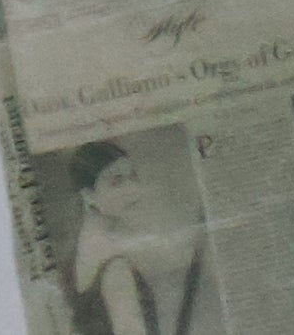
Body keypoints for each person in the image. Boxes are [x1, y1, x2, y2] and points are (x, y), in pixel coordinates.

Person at [67, 136, 210, 335]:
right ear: (88, 195)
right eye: (116, 182)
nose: (132, 190)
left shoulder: (80, 250)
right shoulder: (116, 267)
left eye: (133, 177)